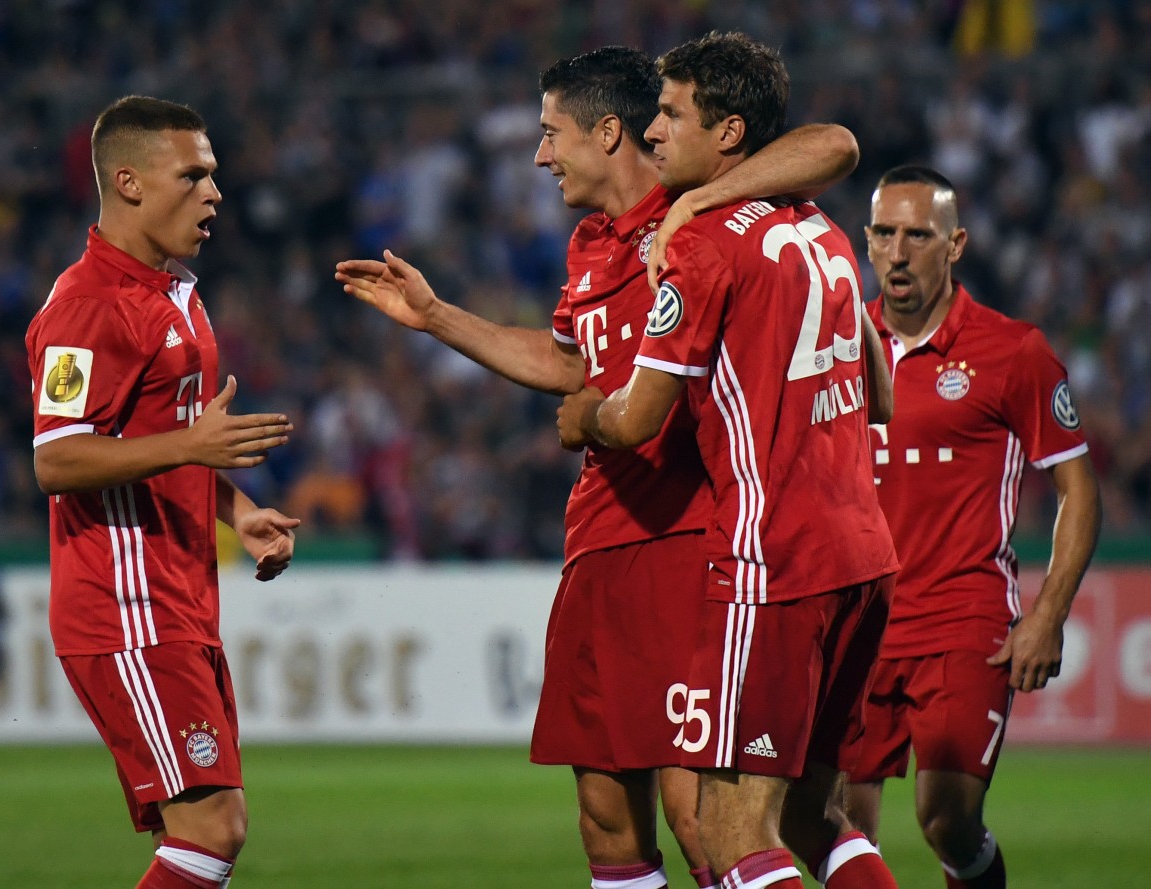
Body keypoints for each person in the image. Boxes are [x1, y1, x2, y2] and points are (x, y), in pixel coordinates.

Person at [337, 46, 867, 889]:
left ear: (607, 131)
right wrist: (436, 317)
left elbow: (832, 145)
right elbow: (566, 362)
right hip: (601, 544)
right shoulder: (592, 244)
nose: (540, 155)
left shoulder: (707, 214)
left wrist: (697, 201)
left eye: (551, 134)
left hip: (692, 543)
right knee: (605, 815)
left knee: (710, 821)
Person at [557, 32, 900, 889]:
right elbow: (883, 394)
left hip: (773, 557)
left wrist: (583, 416)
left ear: (730, 133)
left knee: (735, 832)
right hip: (865, 552)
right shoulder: (820, 229)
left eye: (672, 115)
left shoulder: (702, 245)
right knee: (819, 818)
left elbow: (635, 421)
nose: (656, 132)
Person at [25, 95, 300, 889]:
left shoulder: (175, 291)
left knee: (215, 826)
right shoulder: (85, 309)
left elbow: (170, 443)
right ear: (130, 182)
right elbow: (58, 459)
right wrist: (193, 445)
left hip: (177, 599)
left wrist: (238, 510)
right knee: (211, 827)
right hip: (124, 605)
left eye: (213, 174)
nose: (215, 192)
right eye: (194, 174)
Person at [843, 164, 1101, 889]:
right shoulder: (835, 346)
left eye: (917, 235)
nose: (898, 251)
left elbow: (1079, 490)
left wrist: (1047, 614)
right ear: (865, 240)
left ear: (954, 244)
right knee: (839, 823)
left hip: (962, 617)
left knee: (945, 818)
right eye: (885, 233)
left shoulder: (1012, 352)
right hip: (856, 623)